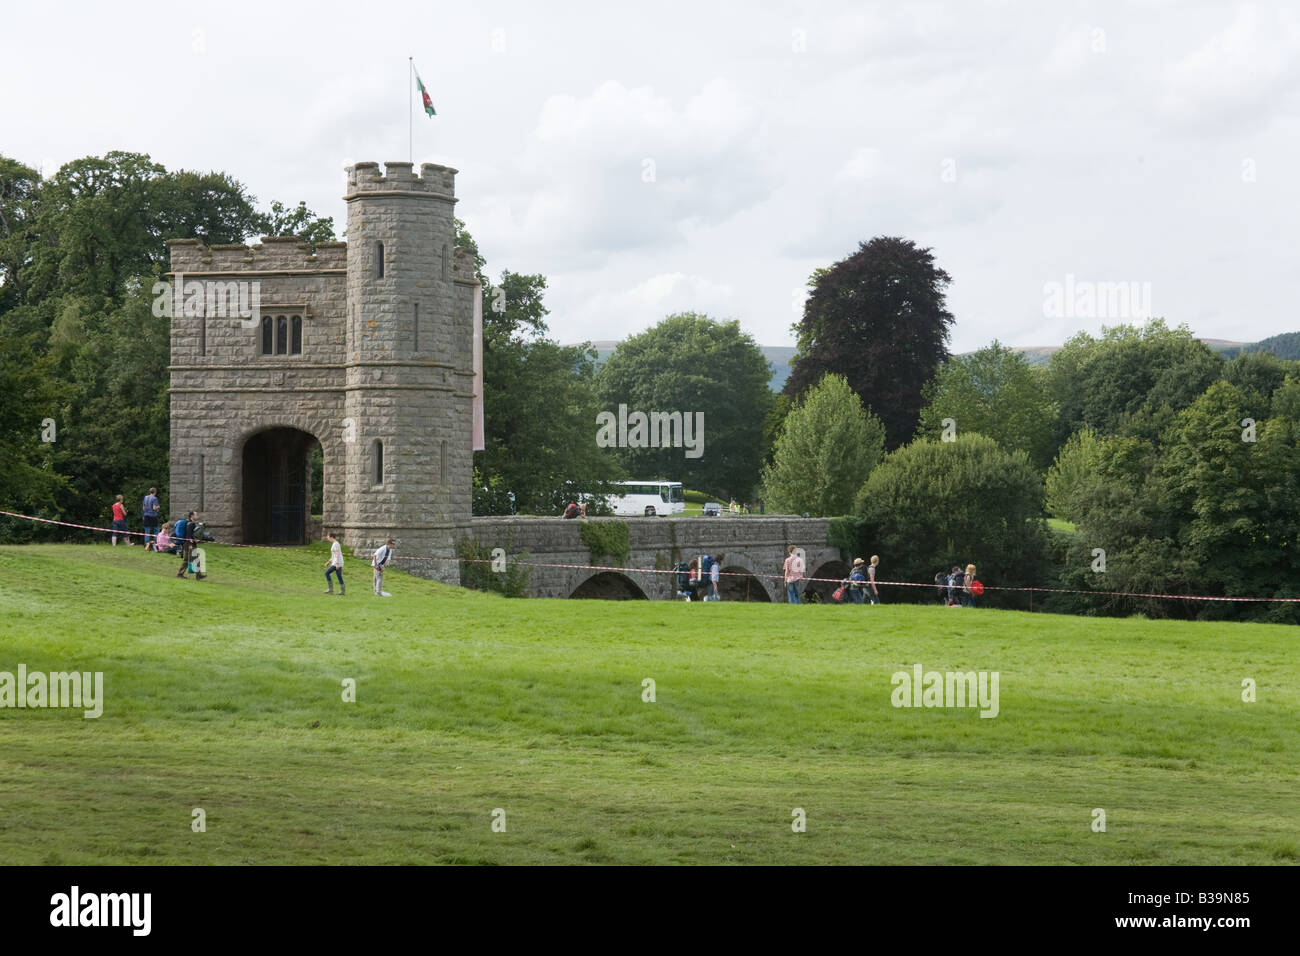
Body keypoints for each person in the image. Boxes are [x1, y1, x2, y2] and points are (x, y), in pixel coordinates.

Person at [175, 511, 197, 578]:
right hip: (189, 544)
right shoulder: (190, 524)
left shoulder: (188, 522)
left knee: (194, 559)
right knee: (187, 560)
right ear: (192, 516)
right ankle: (180, 574)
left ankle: (199, 575)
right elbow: (188, 535)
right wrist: (190, 544)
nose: (197, 516)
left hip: (188, 543)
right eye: (196, 515)